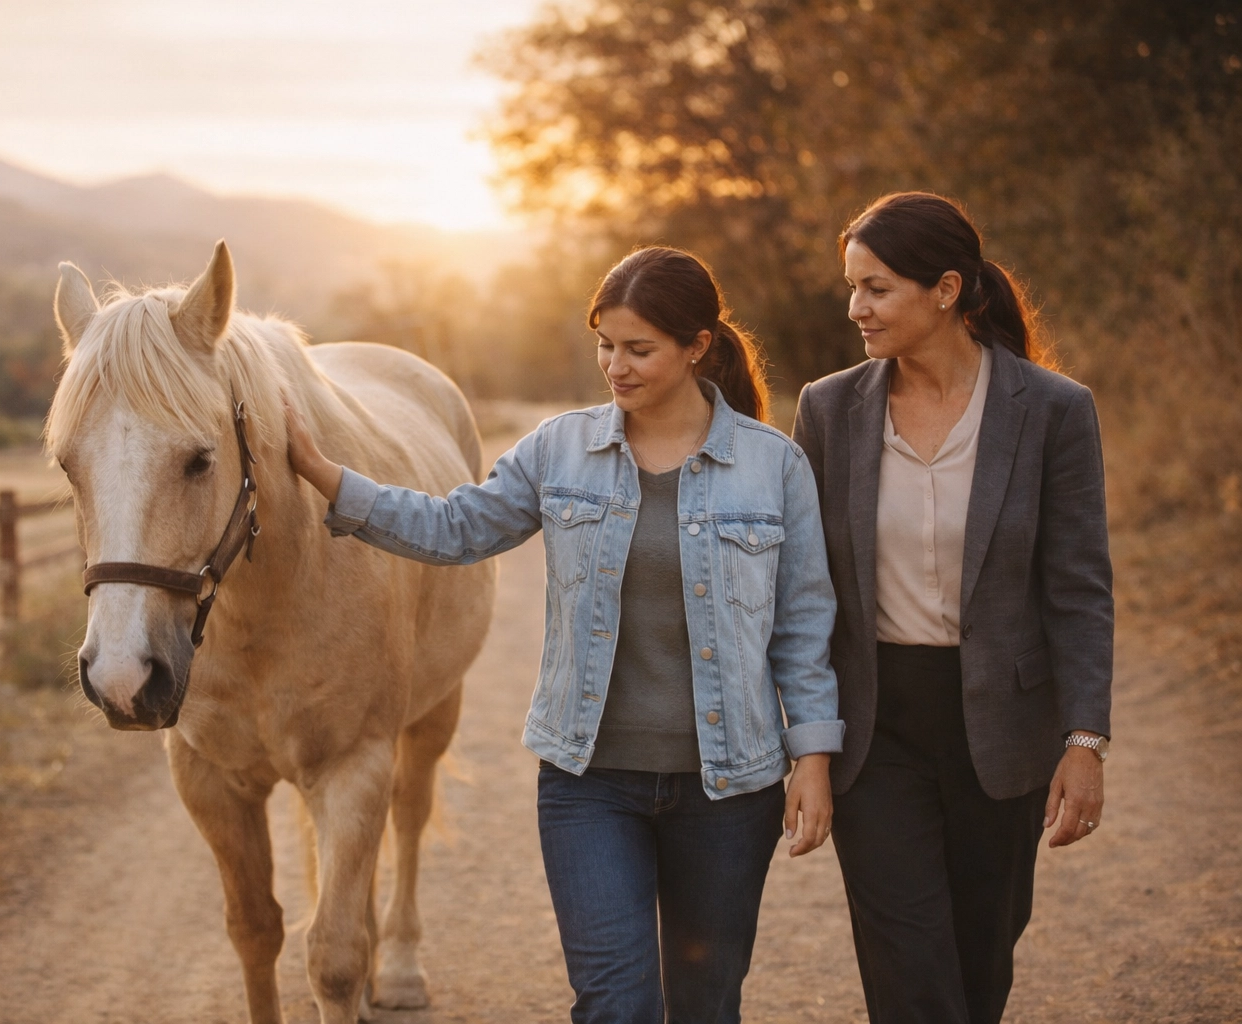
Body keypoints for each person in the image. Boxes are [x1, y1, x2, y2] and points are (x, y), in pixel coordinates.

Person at [286, 246, 843, 1024]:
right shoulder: (560, 450)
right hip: (591, 786)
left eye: (639, 349)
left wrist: (812, 756)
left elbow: (804, 623)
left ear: (697, 347)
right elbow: (455, 527)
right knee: (615, 1004)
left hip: (727, 791)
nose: (616, 367)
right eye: (606, 346)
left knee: (706, 1005)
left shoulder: (773, 466)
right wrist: (327, 474)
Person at [792, 192, 1114, 1024]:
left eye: (877, 288)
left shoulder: (1053, 411)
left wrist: (1084, 740)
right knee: (910, 973)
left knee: (980, 965)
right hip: (876, 730)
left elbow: (1077, 588)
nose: (856, 308)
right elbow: (806, 590)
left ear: (945, 289)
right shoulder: (829, 410)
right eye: (853, 287)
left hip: (1002, 736)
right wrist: (808, 744)